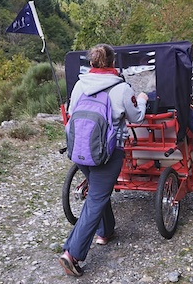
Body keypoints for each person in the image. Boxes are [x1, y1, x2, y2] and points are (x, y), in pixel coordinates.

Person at [59, 44, 148, 277]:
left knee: (99, 192)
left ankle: (105, 231)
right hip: (108, 154)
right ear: (113, 63)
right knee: (97, 198)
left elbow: (71, 113)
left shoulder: (80, 85)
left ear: (91, 64)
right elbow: (137, 117)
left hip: (80, 150)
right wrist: (142, 99)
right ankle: (73, 253)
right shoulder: (121, 88)